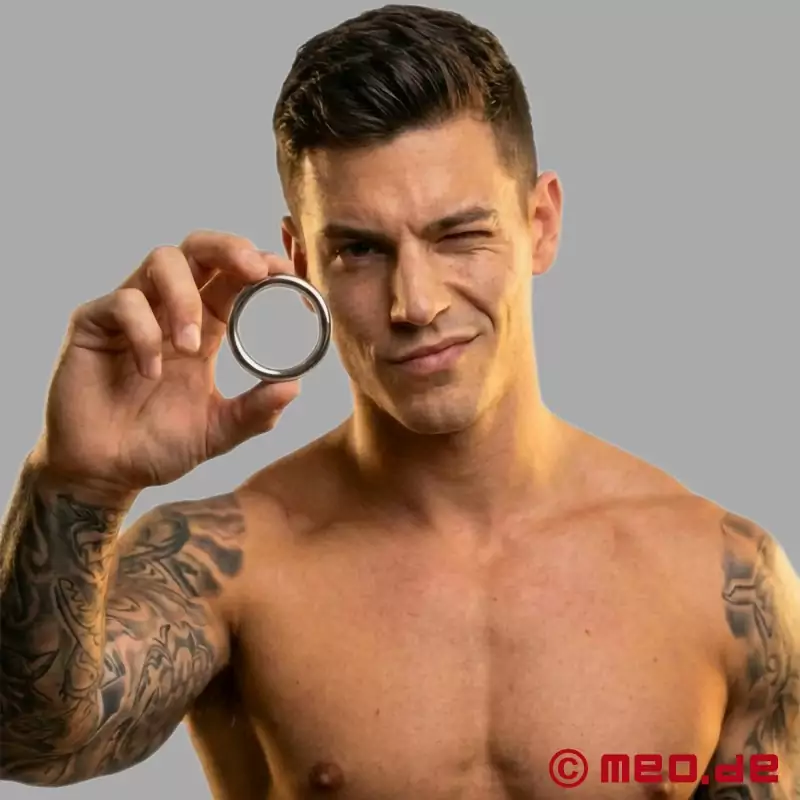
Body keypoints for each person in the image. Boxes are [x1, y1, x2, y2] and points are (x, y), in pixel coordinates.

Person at [1, 4, 798, 798]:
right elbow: (27, 744)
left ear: (541, 222)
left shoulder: (720, 579)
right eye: (360, 249)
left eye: (459, 235)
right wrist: (79, 485)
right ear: (301, 259)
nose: (414, 302)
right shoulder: (228, 567)